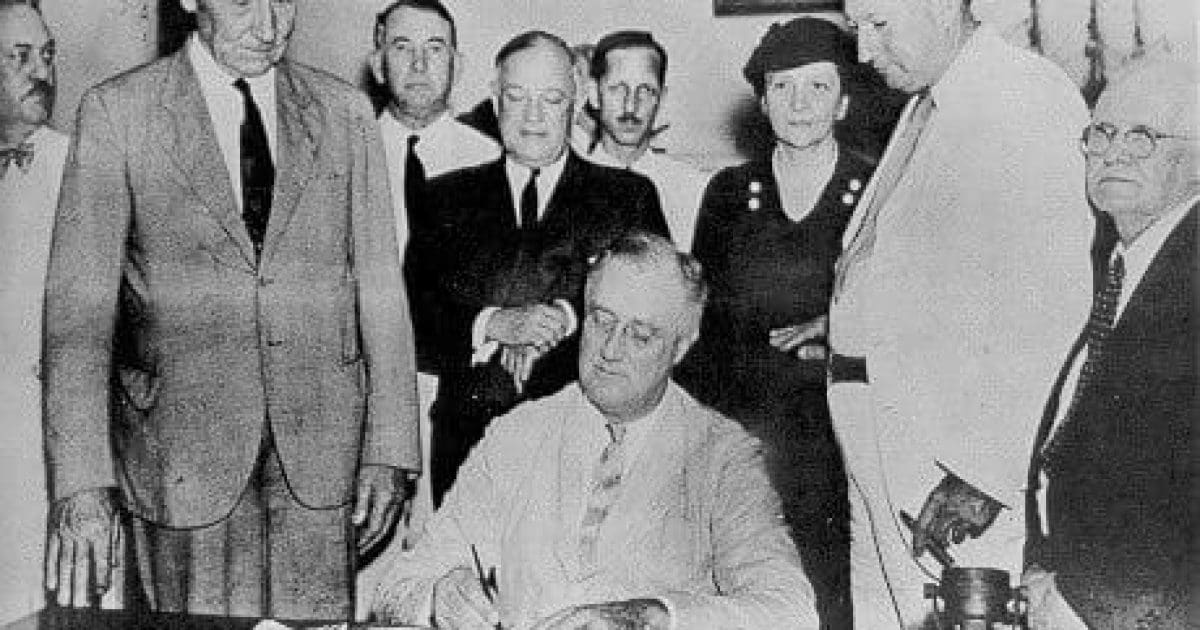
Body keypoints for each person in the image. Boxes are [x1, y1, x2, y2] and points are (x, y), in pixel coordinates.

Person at [41, 0, 419, 619]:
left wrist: (390, 448)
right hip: (179, 462)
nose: (268, 28)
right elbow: (78, 319)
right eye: (244, 2)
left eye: (283, 2)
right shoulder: (118, 112)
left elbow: (381, 289)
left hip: (321, 464)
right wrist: (82, 482)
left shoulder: (345, 113)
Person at [372, 231, 820, 630]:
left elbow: (790, 612)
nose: (609, 349)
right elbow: (398, 586)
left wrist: (652, 617)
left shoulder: (722, 454)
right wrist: (438, 597)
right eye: (602, 320)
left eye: (640, 334)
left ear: (681, 347)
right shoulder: (518, 433)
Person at [821, 0, 1095, 625]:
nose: (864, 52)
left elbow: (1051, 303)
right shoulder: (926, 101)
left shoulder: (1025, 97)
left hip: (953, 462)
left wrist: (985, 472)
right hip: (880, 432)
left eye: (880, 25)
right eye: (857, 29)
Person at [404, 30, 668, 506]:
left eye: (550, 99)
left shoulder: (629, 198)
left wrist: (562, 319)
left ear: (577, 101)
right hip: (470, 450)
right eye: (517, 97)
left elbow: (657, 310)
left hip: (590, 448)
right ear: (493, 97)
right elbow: (412, 318)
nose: (532, 116)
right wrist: (495, 324)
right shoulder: (444, 198)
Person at [677, 17, 873, 630]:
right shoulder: (731, 193)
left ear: (843, 101)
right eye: (783, 88)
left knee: (835, 598)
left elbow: (905, 315)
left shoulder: (872, 188)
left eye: (817, 88)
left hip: (839, 440)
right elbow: (701, 325)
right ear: (762, 101)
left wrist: (839, 324)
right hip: (745, 433)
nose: (799, 104)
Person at [1023, 56, 1197, 630]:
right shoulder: (1128, 265)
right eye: (1102, 131)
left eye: (1143, 136)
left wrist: (1092, 600)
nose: (1114, 151)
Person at [367, 0, 499, 550]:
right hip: (369, 390)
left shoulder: (494, 161)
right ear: (378, 63)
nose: (419, 64)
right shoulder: (345, 153)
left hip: (457, 391)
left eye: (434, 48)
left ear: (458, 64)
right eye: (403, 47)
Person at [0, 0, 65, 621]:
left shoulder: (80, 170)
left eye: (47, 55)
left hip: (40, 454)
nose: (40, 71)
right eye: (20, 56)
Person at [579, 30, 709, 251]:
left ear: (661, 98)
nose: (631, 106)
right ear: (593, 94)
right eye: (617, 89)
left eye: (646, 90)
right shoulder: (568, 183)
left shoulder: (693, 190)